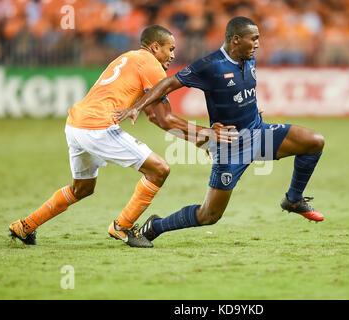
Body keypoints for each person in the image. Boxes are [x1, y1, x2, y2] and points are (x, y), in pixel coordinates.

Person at [8, 25, 237, 248]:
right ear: (155, 47)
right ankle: (123, 226)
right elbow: (162, 119)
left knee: (82, 188)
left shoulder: (129, 58)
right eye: (170, 49)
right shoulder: (150, 63)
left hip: (76, 125)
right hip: (98, 127)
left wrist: (200, 138)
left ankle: (25, 226)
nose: (173, 55)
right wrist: (206, 135)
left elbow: (153, 114)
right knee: (159, 169)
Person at [115, 17, 325, 247]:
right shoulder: (210, 65)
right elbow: (168, 84)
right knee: (209, 216)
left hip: (258, 134)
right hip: (230, 147)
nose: (257, 44)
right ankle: (156, 226)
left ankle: (293, 200)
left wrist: (253, 109)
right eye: (253, 39)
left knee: (314, 142)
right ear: (236, 40)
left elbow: (241, 93)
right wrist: (137, 106)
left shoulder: (249, 59)